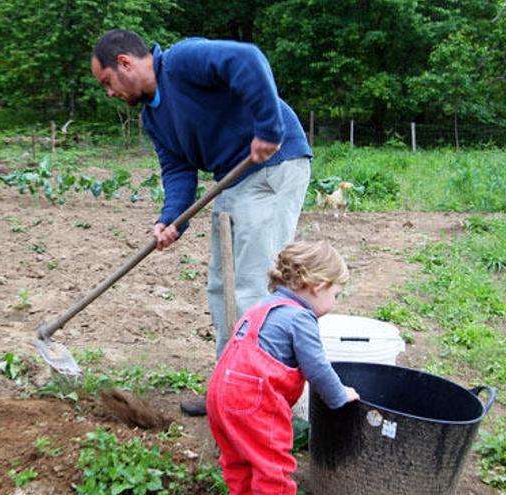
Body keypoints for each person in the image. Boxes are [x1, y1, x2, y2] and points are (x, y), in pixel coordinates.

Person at [91, 30, 313, 416]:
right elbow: (177, 170)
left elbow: (248, 59)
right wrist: (170, 219)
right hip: (233, 178)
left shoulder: (182, 61)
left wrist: (268, 127)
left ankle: (267, 405)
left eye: (107, 82)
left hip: (273, 166)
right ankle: (231, 389)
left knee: (251, 289)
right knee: (221, 287)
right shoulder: (153, 119)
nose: (109, 92)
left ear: (125, 63)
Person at [206, 241, 360, 495]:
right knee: (272, 469)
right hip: (254, 401)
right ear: (318, 286)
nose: (334, 302)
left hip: (219, 394)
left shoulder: (263, 307)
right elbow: (318, 368)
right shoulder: (300, 317)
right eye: (336, 294)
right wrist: (340, 396)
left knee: (238, 462)